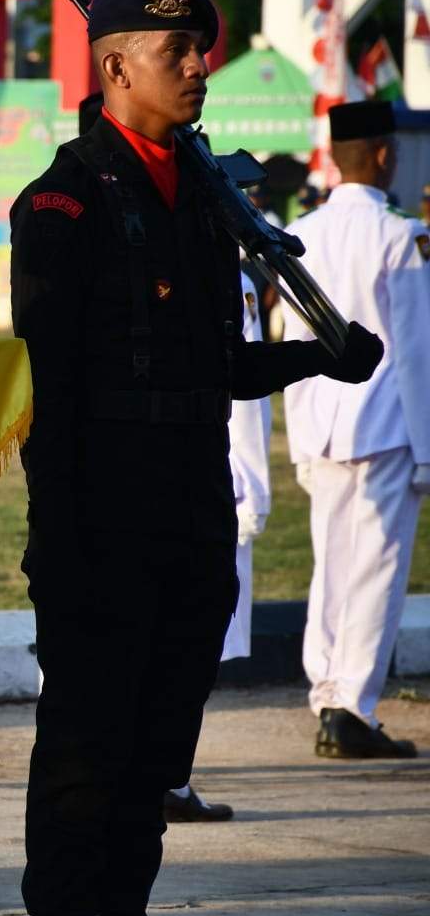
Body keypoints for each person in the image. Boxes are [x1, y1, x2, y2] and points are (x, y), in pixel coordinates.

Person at [10, 0, 382, 916]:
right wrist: (65, 536)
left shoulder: (202, 197)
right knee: (83, 756)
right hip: (99, 519)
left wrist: (316, 356)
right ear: (114, 63)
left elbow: (214, 364)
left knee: (154, 758)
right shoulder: (64, 198)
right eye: (173, 50)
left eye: (200, 49)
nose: (196, 66)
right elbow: (49, 386)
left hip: (188, 514)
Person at [284, 100, 430, 760]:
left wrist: (298, 438)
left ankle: (328, 696)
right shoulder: (400, 234)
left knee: (332, 565)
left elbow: (293, 341)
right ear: (381, 154)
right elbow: (416, 348)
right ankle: (354, 709)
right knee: (377, 568)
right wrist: (428, 449)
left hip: (322, 424)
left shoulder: (302, 231)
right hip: (387, 424)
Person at [164, 270, 271, 823]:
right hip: (203, 476)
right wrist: (253, 488)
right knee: (187, 644)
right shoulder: (221, 268)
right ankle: (170, 783)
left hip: (112, 476)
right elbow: (243, 393)